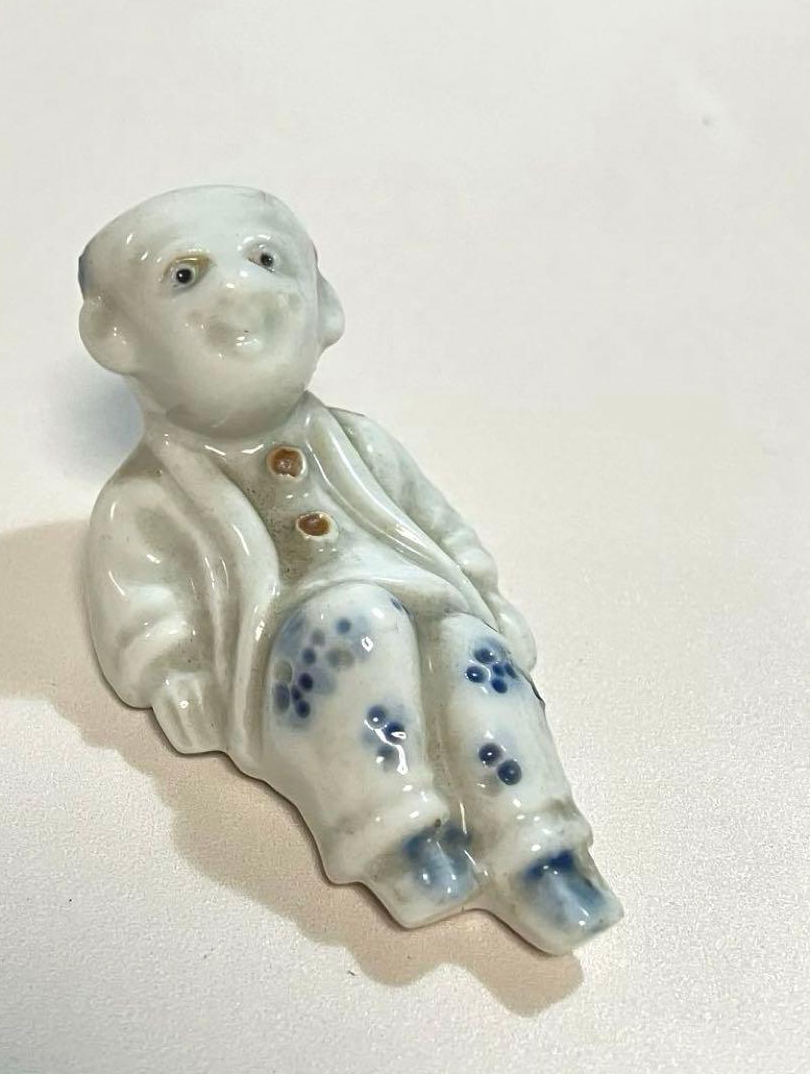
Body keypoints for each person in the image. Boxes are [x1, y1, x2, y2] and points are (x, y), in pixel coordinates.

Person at [77, 185, 621, 953]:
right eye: (186, 275)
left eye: (267, 259)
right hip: (294, 661)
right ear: (115, 335)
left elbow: (441, 527)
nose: (240, 286)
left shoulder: (364, 445)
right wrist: (175, 673)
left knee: (473, 652)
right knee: (358, 624)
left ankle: (541, 848)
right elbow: (140, 603)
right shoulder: (146, 499)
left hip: (427, 607)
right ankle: (403, 840)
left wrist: (486, 594)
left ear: (325, 304)